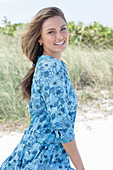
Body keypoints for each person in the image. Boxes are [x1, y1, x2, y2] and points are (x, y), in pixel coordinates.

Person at [0, 7, 85, 170]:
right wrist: (81, 167)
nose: (60, 36)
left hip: (44, 152)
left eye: (63, 29)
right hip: (44, 158)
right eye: (51, 32)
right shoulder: (49, 68)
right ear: (40, 38)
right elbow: (62, 126)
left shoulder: (55, 64)